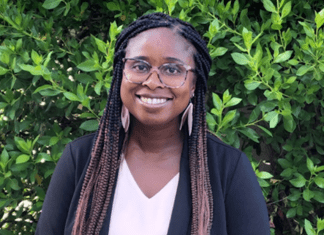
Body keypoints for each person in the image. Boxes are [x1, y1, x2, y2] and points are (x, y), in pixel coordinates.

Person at [35, 13, 270, 235]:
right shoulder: (80, 159)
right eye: (140, 66)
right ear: (120, 73)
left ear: (194, 85)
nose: (152, 81)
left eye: (171, 69)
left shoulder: (228, 169)